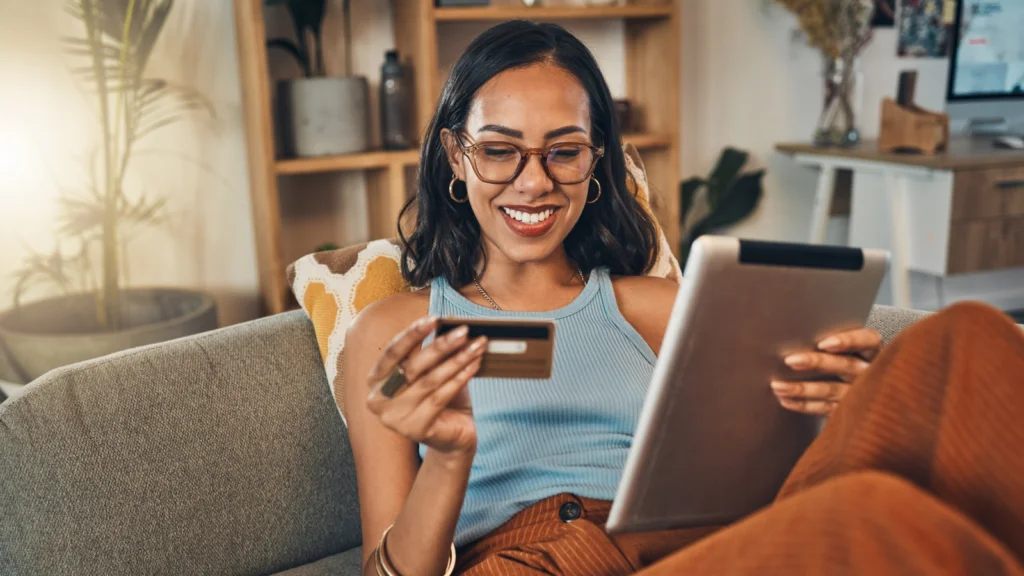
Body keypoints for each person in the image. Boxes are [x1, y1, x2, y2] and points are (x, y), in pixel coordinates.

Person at [343, 20, 1024, 576]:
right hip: (527, 561)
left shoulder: (663, 306)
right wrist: (454, 455)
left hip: (685, 545)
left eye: (564, 150)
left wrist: (851, 406)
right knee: (874, 518)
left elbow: (756, 461)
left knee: (971, 338)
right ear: (456, 157)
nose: (533, 182)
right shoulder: (396, 329)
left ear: (596, 161)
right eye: (499, 151)